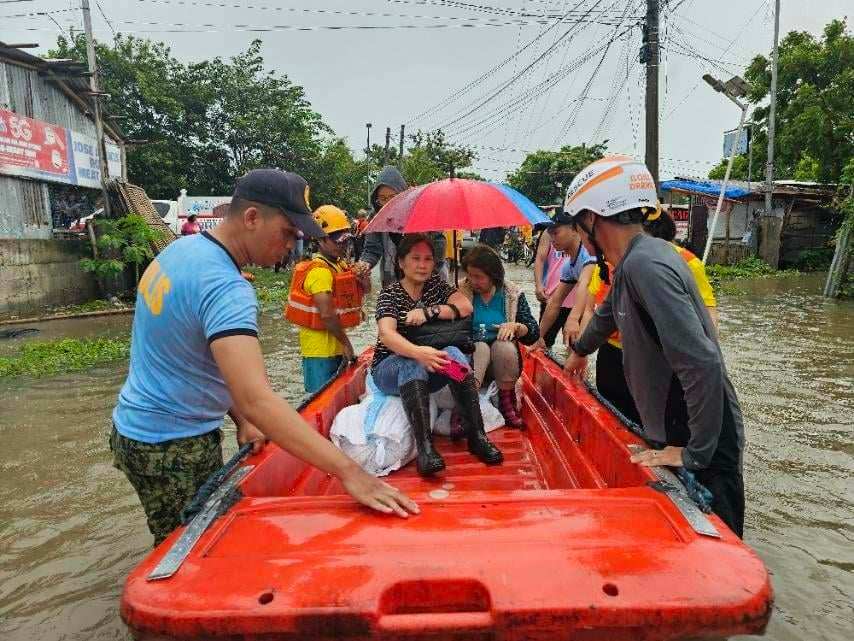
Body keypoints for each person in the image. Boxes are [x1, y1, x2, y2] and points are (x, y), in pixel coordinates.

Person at [110, 169, 417, 546]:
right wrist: (350, 472)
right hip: (174, 445)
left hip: (134, 429)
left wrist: (240, 418)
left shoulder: (180, 252)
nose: (292, 245)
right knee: (187, 552)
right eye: (288, 233)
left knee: (176, 534)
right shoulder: (225, 287)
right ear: (252, 217)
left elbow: (195, 356)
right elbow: (258, 399)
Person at [563, 156, 745, 537]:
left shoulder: (646, 267)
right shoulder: (635, 261)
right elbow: (607, 316)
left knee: (714, 552)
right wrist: (579, 350)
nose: (580, 237)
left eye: (579, 224)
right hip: (682, 422)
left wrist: (695, 453)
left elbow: (703, 363)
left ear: (593, 219)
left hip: (699, 433)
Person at [371, 233, 503, 476]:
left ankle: (477, 435)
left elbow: (465, 307)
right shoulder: (390, 294)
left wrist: (430, 311)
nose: (422, 265)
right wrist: (418, 353)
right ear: (401, 262)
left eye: (428, 259)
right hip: (389, 368)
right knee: (411, 363)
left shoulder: (437, 287)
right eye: (415, 258)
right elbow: (387, 335)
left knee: (453, 352)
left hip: (430, 366)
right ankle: (425, 449)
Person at [458, 245, 540, 427]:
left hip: (502, 366)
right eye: (470, 275)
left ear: (493, 275)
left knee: (503, 344)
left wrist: (516, 326)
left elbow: (533, 332)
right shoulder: (460, 291)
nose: (473, 281)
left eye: (479, 277)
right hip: (470, 362)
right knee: (480, 347)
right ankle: (466, 404)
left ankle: (506, 404)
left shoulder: (511, 294)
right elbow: (449, 331)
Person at [285, 205, 363, 394]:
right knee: (320, 399)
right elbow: (327, 314)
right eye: (336, 240)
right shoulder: (319, 272)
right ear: (319, 239)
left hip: (334, 347)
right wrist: (347, 343)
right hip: (319, 353)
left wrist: (363, 278)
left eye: (345, 240)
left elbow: (361, 293)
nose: (342, 245)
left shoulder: (340, 265)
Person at [352, 166, 446, 289]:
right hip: (392, 280)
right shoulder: (376, 217)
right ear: (376, 199)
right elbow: (372, 249)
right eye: (383, 198)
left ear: (403, 194)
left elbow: (438, 243)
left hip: (427, 278)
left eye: (393, 197)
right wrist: (364, 264)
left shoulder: (420, 210)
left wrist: (430, 271)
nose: (388, 203)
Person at [535, 210, 597, 351]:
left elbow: (584, 283)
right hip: (592, 309)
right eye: (550, 234)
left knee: (576, 350)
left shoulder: (588, 254)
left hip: (608, 312)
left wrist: (574, 318)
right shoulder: (568, 266)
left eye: (556, 233)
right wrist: (538, 336)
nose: (552, 239)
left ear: (575, 230)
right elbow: (555, 302)